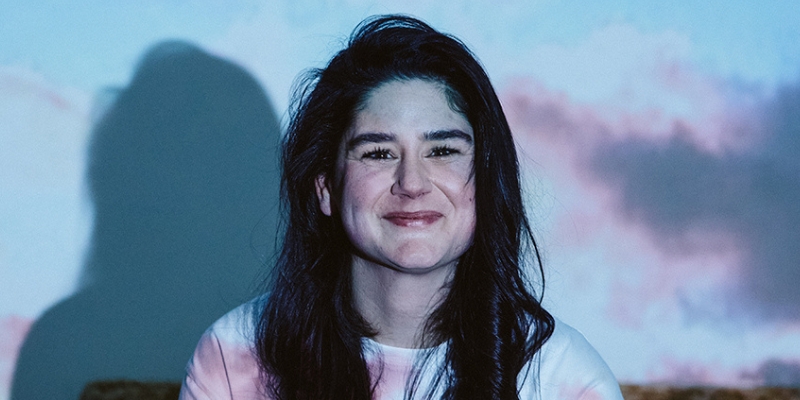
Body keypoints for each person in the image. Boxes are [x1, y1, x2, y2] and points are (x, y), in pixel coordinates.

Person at [179, 15, 623, 400]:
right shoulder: (235, 355)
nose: (412, 184)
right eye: (378, 153)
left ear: (487, 181)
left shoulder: (563, 377)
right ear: (325, 189)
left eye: (443, 150)